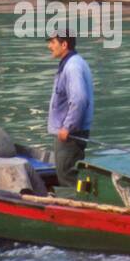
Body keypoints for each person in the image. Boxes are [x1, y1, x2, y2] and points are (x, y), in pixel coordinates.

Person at [46, 31, 93, 188]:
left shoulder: (72, 66)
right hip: (71, 132)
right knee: (69, 172)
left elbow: (79, 99)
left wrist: (68, 127)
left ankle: (82, 206)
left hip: (71, 134)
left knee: (67, 174)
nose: (49, 46)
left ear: (64, 44)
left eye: (52, 42)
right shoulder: (73, 63)